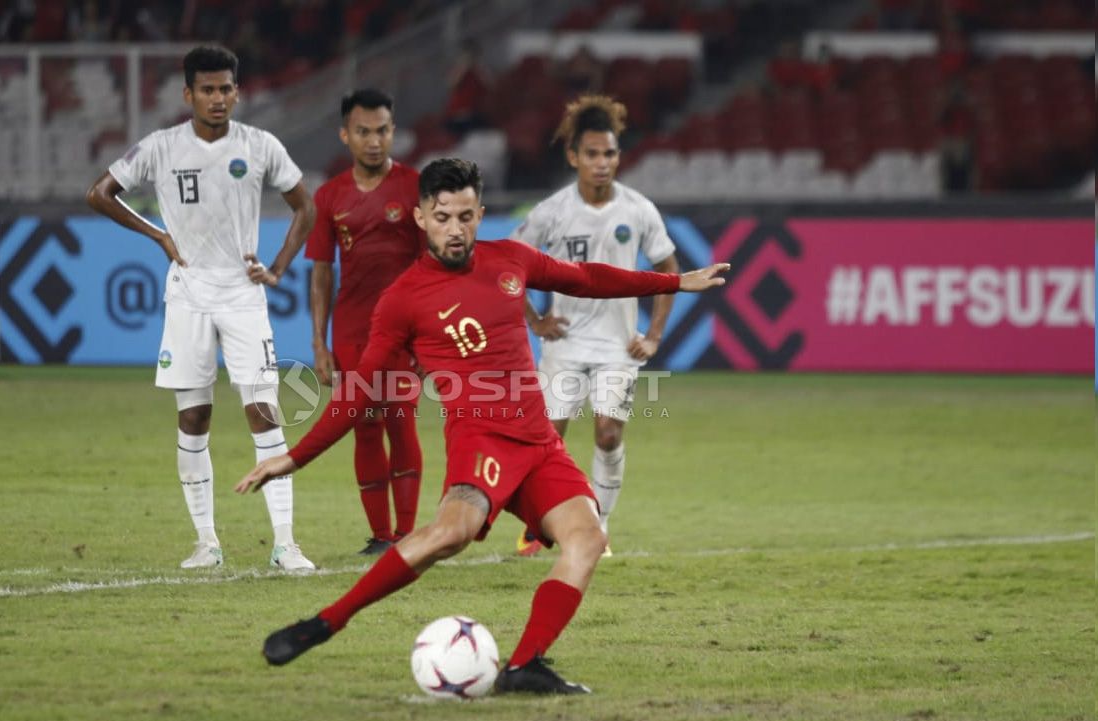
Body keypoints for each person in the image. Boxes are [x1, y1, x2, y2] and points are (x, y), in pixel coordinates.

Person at [235, 158, 729, 694]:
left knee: (587, 539)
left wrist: (673, 282)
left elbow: (585, 279)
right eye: (443, 216)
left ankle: (523, 666)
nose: (455, 228)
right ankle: (326, 622)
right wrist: (295, 458)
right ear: (421, 218)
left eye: (466, 216)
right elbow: (359, 391)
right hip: (481, 442)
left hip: (539, 443)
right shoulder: (402, 300)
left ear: (481, 215)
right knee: (452, 534)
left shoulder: (510, 260)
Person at [86, 45, 317, 571]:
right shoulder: (161, 147)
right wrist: (158, 236)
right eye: (207, 90)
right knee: (193, 418)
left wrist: (277, 268)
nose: (218, 99)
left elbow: (306, 205)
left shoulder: (259, 145)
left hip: (242, 297)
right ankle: (207, 544)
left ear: (238, 92)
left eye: (226, 89)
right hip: (188, 296)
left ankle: (285, 544)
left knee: (264, 412)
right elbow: (99, 194)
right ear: (188, 94)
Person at [512, 95, 679, 558]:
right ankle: (540, 524)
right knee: (548, 443)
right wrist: (536, 319)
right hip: (564, 346)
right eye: (592, 154)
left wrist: (654, 335)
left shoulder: (638, 209)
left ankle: (597, 529)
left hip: (616, 348)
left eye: (609, 154)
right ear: (573, 157)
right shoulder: (552, 211)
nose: (602, 163)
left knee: (608, 433)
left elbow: (669, 268)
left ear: (618, 156)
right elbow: (510, 266)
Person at [307, 88, 425, 556]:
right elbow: (320, 272)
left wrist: (426, 337)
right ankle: (380, 537)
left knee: (402, 422)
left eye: (382, 131)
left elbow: (430, 265)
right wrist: (319, 343)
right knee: (365, 425)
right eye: (363, 132)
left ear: (393, 132)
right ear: (345, 135)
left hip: (405, 328)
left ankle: (409, 534)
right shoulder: (328, 196)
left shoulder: (416, 188)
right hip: (352, 329)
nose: (374, 141)